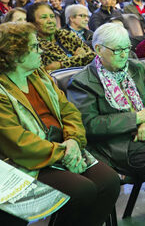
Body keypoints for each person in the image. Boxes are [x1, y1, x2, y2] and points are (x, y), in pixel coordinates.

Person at [68, 23, 145, 226]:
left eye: (127, 48)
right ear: (98, 49)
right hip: (118, 147)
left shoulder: (136, 68)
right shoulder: (83, 82)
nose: (124, 55)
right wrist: (137, 118)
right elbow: (89, 125)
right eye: (117, 50)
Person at [0, 22, 120, 226]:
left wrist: (73, 140)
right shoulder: (3, 90)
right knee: (82, 190)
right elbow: (18, 142)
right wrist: (64, 153)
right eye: (35, 46)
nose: (42, 50)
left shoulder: (39, 76)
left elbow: (69, 111)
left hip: (62, 147)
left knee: (109, 181)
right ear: (15, 54)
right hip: (26, 161)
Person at [27, 2, 95, 71]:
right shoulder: (33, 46)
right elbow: (43, 71)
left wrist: (60, 64)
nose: (50, 21)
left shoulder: (67, 35)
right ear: (32, 23)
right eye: (44, 17)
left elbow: (92, 57)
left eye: (52, 16)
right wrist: (79, 58)